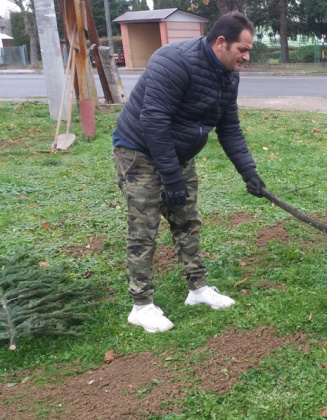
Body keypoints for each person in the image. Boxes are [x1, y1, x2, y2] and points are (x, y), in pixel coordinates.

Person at [112, 12, 266, 333]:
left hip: (178, 152)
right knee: (145, 226)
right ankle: (141, 305)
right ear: (221, 43)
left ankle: (197, 290)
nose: (247, 57)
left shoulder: (228, 74)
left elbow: (229, 128)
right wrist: (170, 178)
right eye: (243, 49)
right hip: (138, 149)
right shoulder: (173, 61)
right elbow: (153, 121)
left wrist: (248, 173)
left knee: (187, 220)